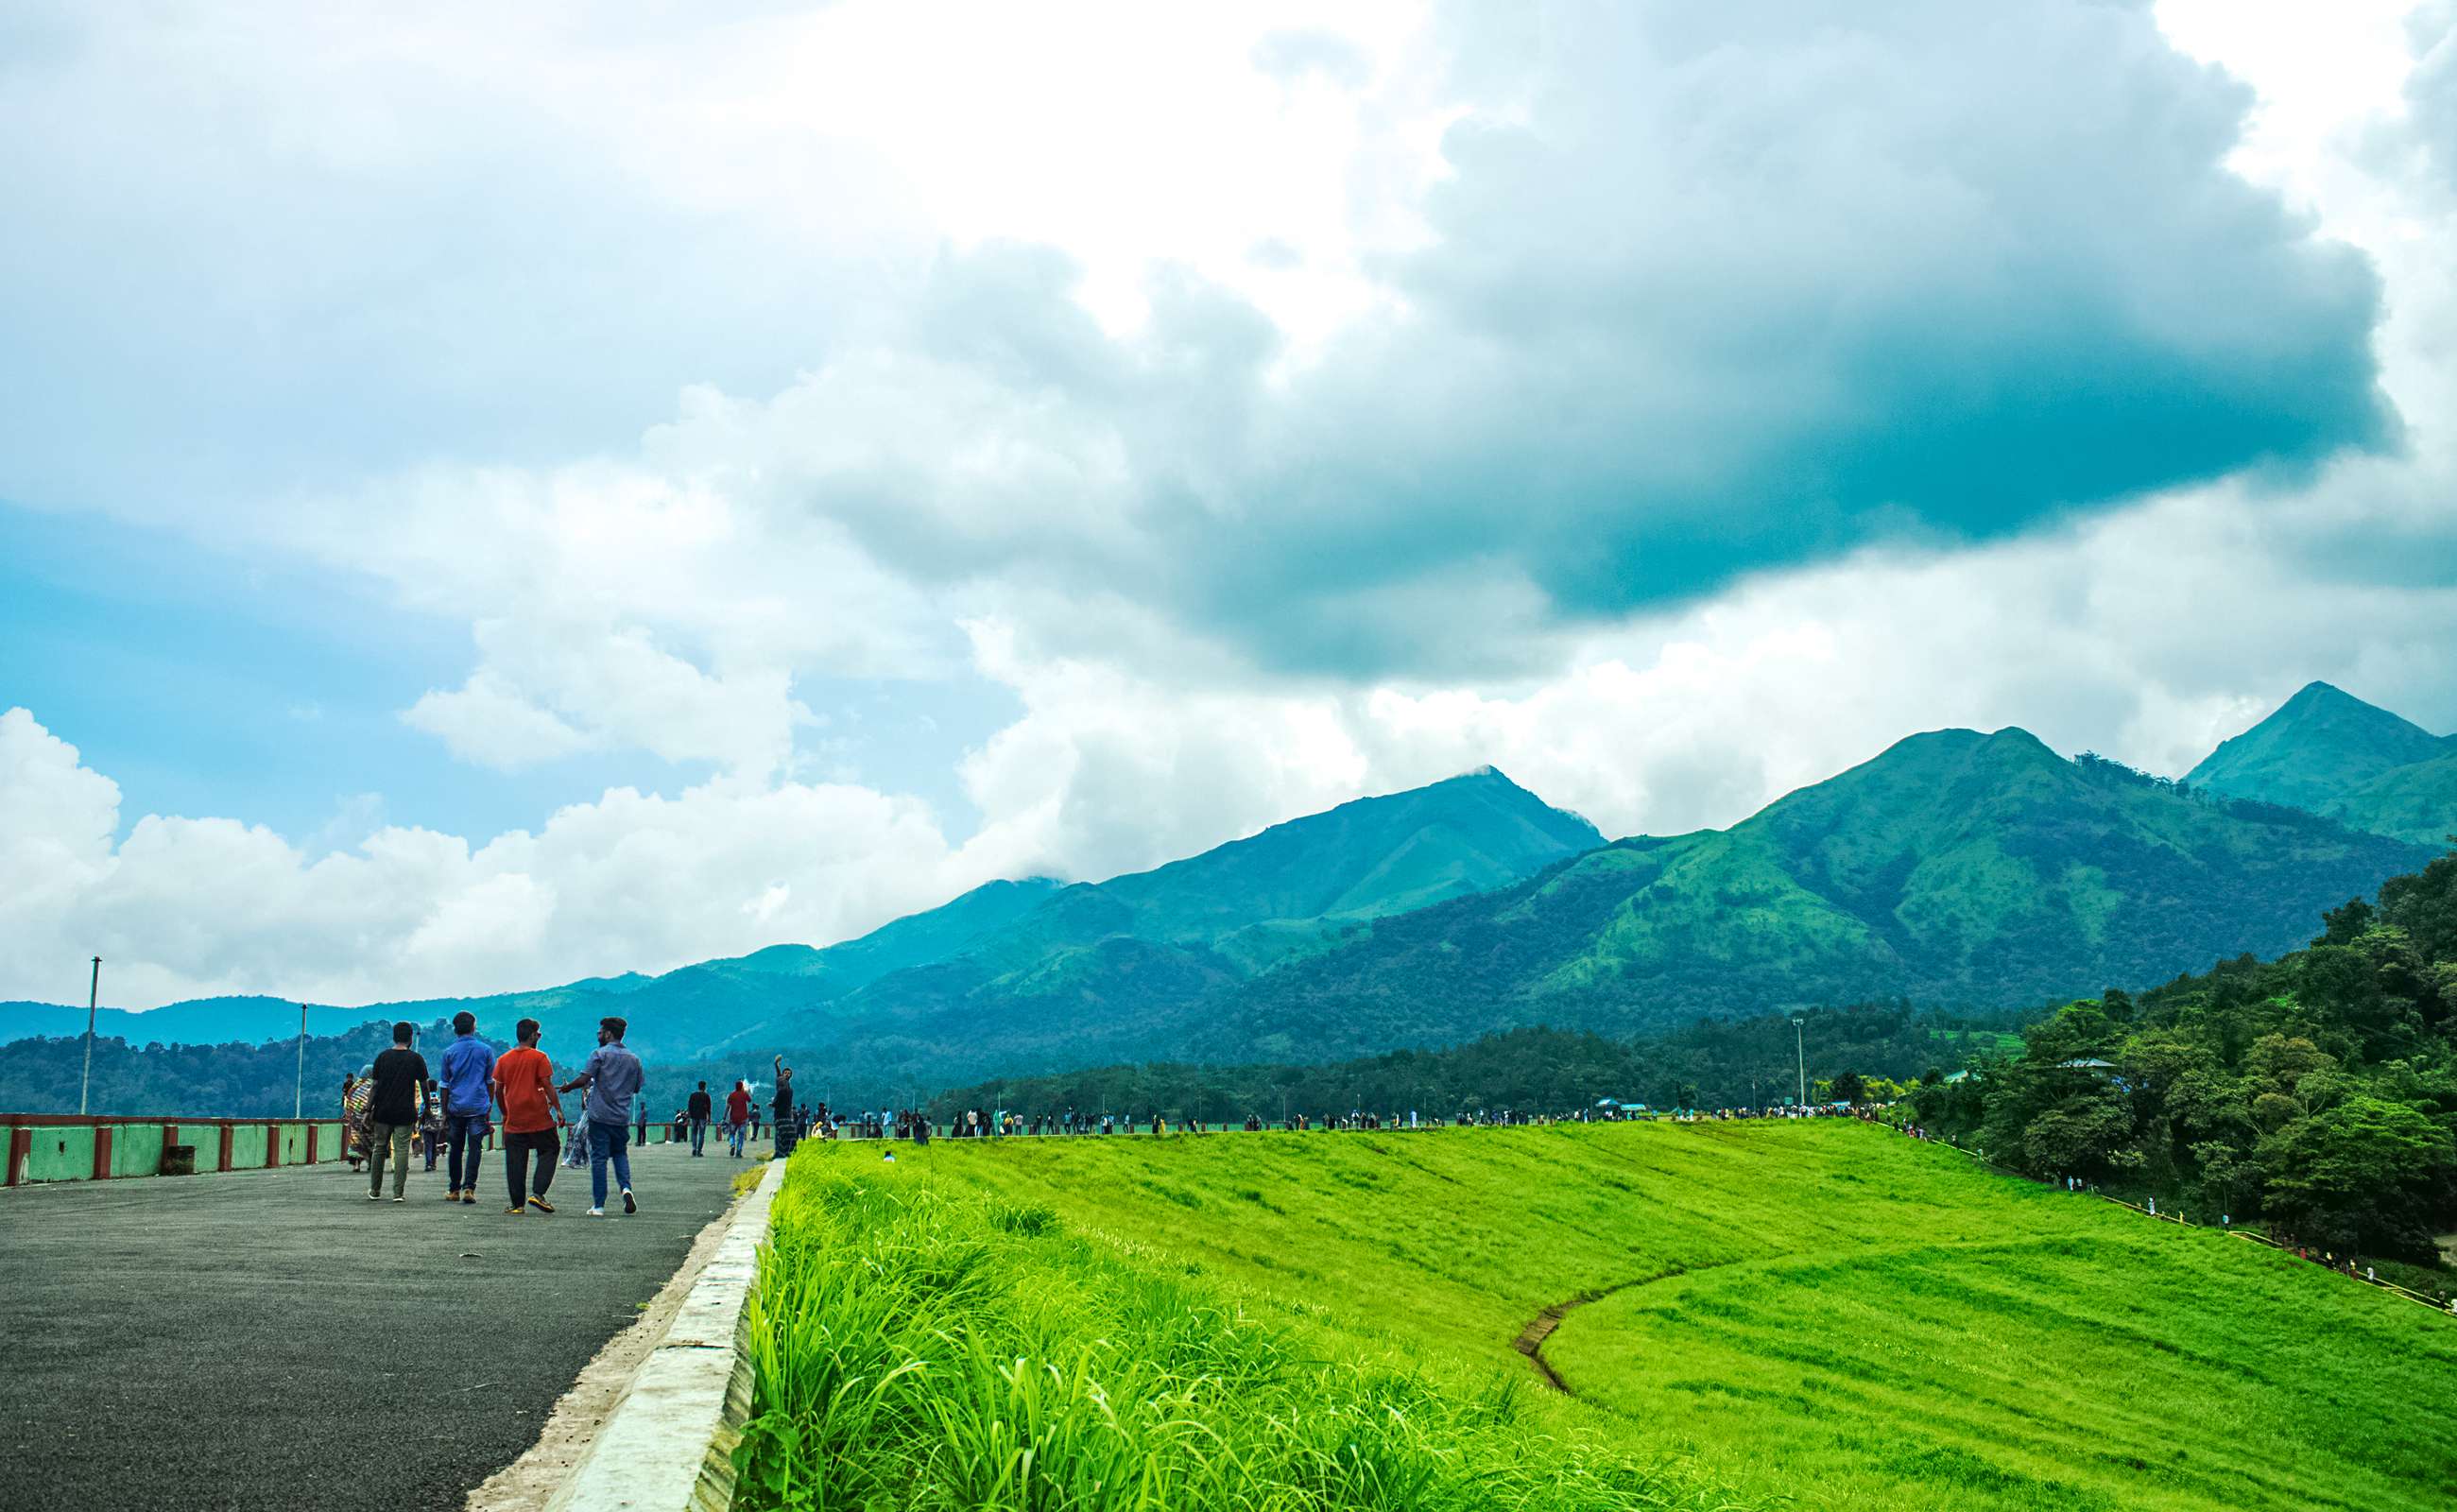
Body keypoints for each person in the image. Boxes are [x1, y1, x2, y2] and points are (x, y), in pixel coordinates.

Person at [558, 1017, 644, 1217]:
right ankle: (625, 1188)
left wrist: (567, 1087)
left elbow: (584, 1079)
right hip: (621, 1117)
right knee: (620, 1154)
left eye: (600, 1032)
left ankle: (598, 1205)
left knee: (599, 1158)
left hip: (599, 1115)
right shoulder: (634, 1059)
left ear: (608, 1034)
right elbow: (637, 1086)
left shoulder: (599, 1054)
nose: (598, 1035)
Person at [491, 1017, 566, 1214]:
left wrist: (505, 1113)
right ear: (533, 1035)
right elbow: (548, 1084)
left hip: (514, 1119)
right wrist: (558, 1109)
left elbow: (498, 1090)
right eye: (538, 1034)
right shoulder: (539, 1057)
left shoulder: (503, 1060)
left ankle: (517, 1205)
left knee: (515, 1160)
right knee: (550, 1148)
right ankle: (538, 1193)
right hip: (538, 1116)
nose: (539, 1037)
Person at [365, 1022, 430, 1203]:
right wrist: (429, 1109)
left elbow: (375, 1087)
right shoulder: (416, 1059)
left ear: (394, 1037)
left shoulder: (382, 1057)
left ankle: (375, 1190)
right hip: (405, 1112)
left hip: (383, 1112)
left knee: (379, 1148)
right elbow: (425, 1086)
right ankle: (398, 1193)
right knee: (401, 1151)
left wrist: (367, 1110)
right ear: (410, 1038)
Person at [439, 1010, 498, 1205]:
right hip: (478, 1106)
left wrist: (445, 1111)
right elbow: (490, 1081)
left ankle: (454, 1188)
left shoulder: (448, 1052)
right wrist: (488, 1104)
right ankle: (469, 1188)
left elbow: (445, 1085)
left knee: (455, 1148)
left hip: (456, 1107)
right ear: (473, 1027)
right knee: (475, 1148)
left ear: (455, 1029)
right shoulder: (486, 1050)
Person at [771, 1057, 798, 1159]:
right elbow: (779, 1076)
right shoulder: (783, 1084)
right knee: (782, 1133)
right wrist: (776, 1065)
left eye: (789, 1073)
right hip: (782, 1113)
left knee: (782, 1133)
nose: (787, 1074)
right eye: (785, 1072)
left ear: (791, 1076)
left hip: (785, 1112)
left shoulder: (786, 1085)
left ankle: (782, 1151)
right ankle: (781, 1151)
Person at [725, 1080, 751, 1158]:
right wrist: (746, 1091)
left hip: (733, 1118)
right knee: (741, 1136)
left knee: (732, 1134)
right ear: (742, 1086)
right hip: (743, 1118)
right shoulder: (744, 1094)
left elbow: (728, 1106)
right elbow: (749, 1100)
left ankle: (732, 1145)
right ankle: (739, 1151)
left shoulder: (732, 1095)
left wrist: (724, 1116)